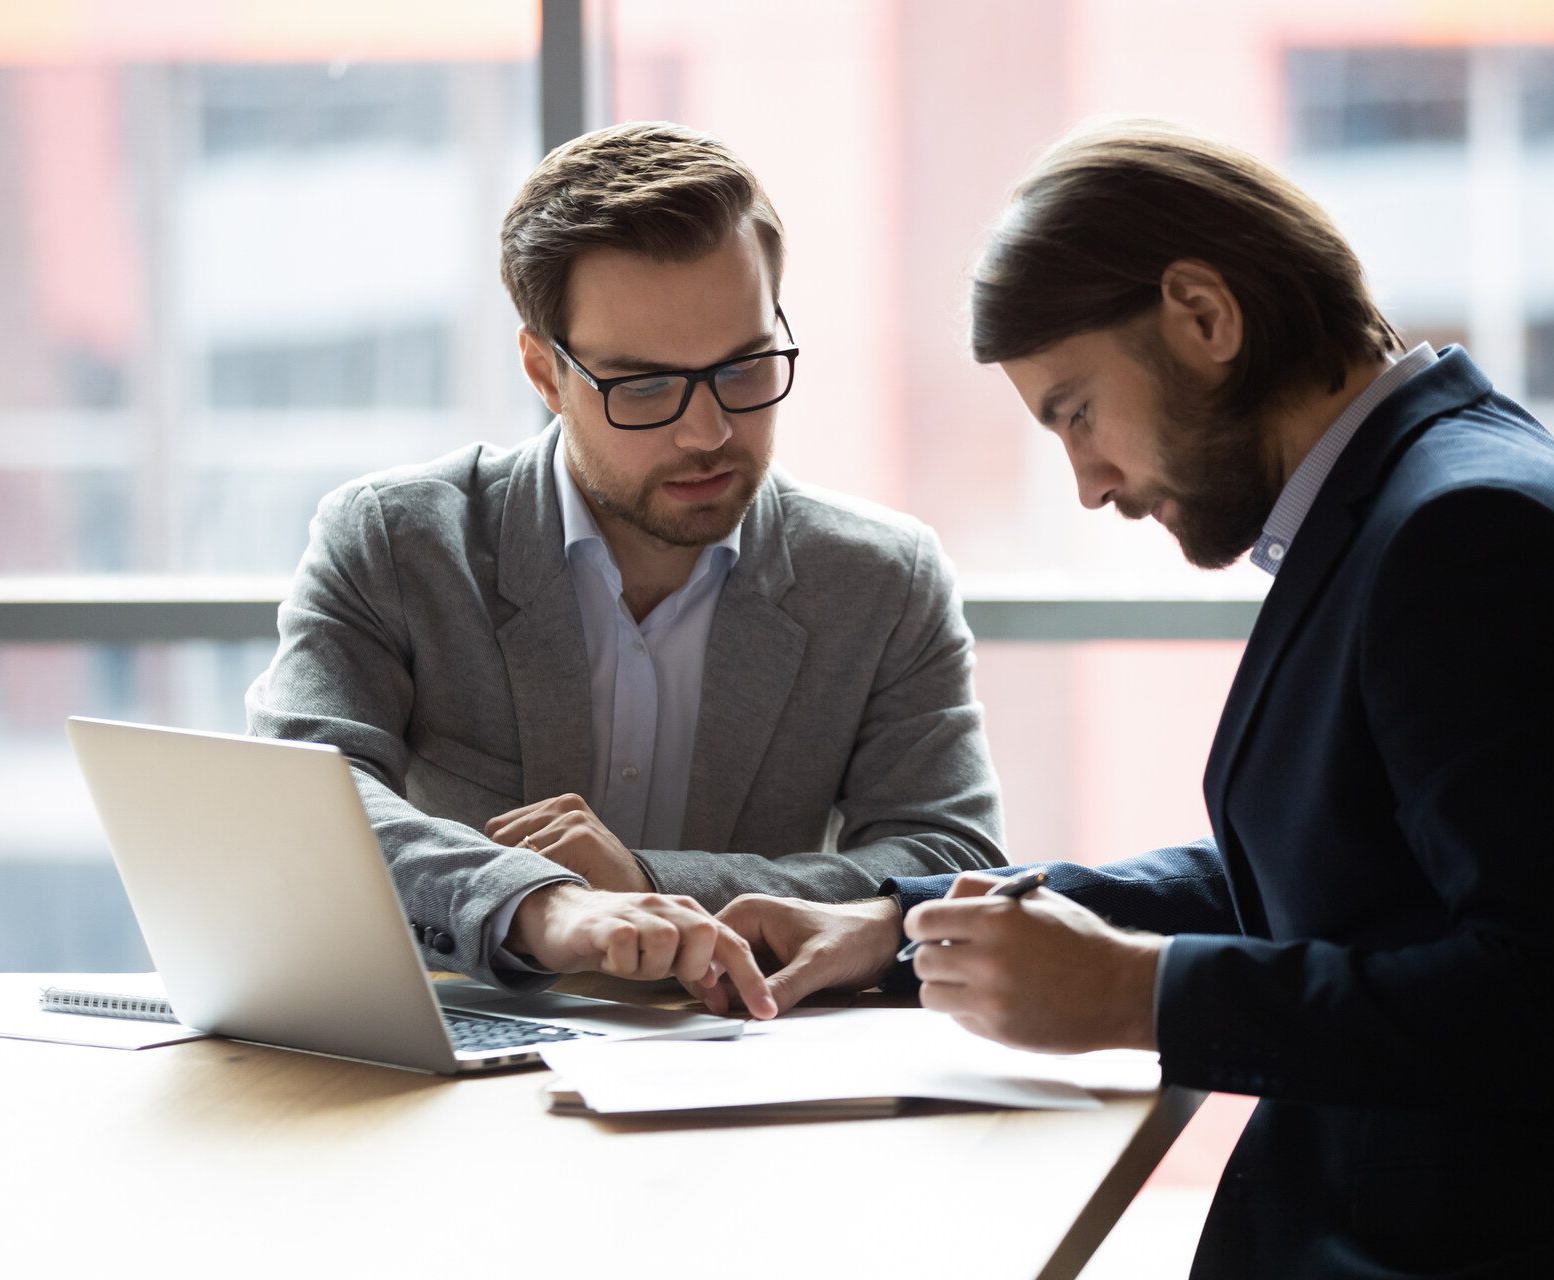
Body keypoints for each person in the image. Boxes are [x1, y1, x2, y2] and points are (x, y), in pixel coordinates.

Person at [699, 119, 1554, 1276]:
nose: (1089, 481)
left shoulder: (1471, 538)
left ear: (1204, 315)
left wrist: (1146, 996)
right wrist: (905, 928)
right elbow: (1341, 874)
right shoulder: (1415, 499)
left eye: (1075, 412)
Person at [247, 122, 1005, 1014]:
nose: (709, 432)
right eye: (643, 387)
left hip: (749, 1070)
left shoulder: (882, 581)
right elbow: (300, 801)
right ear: (545, 371)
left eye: (746, 366)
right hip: (454, 1059)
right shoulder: (399, 545)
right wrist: (543, 907)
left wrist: (650, 879)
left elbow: (948, 861)